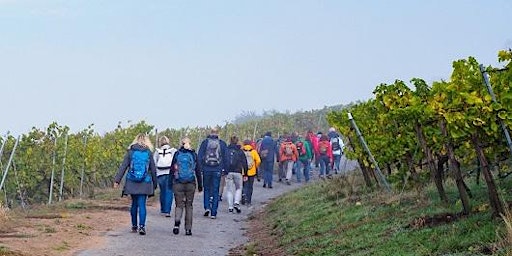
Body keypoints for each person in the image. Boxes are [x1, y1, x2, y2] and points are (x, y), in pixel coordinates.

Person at [114, 133, 157, 235]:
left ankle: (134, 226)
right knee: (142, 204)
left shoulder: (131, 152)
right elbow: (153, 169)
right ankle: (142, 226)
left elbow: (123, 167)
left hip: (132, 181)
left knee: (134, 204)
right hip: (145, 182)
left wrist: (117, 180)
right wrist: (155, 183)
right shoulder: (148, 152)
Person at [170, 137, 203, 236]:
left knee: (179, 205)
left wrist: (169, 183)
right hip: (190, 183)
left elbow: (172, 170)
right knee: (189, 206)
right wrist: (200, 185)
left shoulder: (177, 154)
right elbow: (198, 171)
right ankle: (188, 229)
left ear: (181, 143)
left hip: (178, 182)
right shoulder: (193, 155)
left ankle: (176, 223)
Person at [197, 128, 227, 219]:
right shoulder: (222, 143)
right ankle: (214, 212)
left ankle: (207, 207)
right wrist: (224, 169)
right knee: (215, 190)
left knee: (206, 189)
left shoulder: (205, 142)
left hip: (206, 169)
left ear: (210, 133)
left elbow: (199, 156)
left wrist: (200, 169)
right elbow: (225, 158)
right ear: (218, 133)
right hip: (217, 169)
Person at [224, 136, 249, 213]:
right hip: (238, 172)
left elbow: (224, 161)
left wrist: (224, 171)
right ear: (237, 141)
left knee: (229, 190)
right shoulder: (240, 151)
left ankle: (230, 207)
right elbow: (245, 163)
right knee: (239, 188)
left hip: (229, 172)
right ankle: (236, 202)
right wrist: (245, 173)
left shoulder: (227, 150)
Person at [153, 136, 177, 217]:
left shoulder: (157, 151)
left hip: (160, 174)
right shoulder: (173, 151)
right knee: (169, 191)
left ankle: (163, 209)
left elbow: (154, 162)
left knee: (162, 191)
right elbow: (176, 161)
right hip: (170, 173)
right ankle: (167, 210)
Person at [241, 139, 261, 205]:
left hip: (243, 171)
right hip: (252, 171)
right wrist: (255, 166)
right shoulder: (254, 151)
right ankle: (249, 200)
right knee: (250, 186)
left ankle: (243, 198)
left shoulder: (241, 151)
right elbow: (258, 161)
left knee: (244, 185)